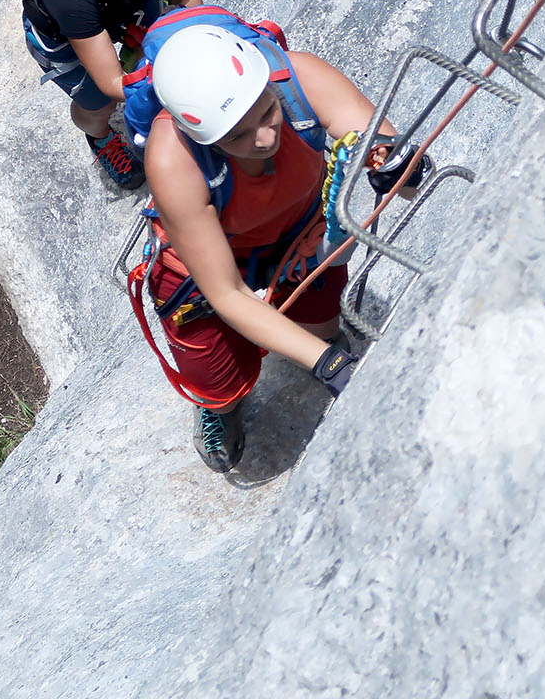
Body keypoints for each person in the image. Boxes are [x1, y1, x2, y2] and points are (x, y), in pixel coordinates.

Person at [142, 24, 424, 472]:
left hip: (297, 231)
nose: (264, 138)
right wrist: (329, 365)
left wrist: (397, 168)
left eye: (267, 111)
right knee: (220, 381)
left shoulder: (299, 79)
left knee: (320, 329)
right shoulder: (172, 160)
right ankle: (217, 406)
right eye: (237, 136)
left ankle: (305, 334)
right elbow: (227, 294)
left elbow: (399, 175)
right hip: (205, 265)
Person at [21, 0, 202, 189]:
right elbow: (112, 83)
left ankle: (139, 51)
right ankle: (99, 136)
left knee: (170, 31)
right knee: (99, 103)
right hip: (61, 33)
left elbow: (189, 0)